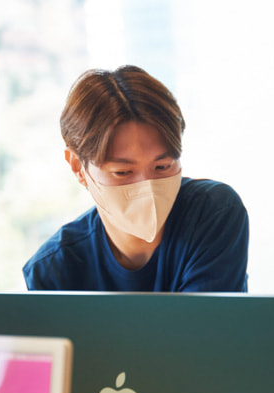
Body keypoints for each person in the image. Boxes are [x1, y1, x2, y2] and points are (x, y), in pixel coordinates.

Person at [23, 65, 249, 292]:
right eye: (123, 172)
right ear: (77, 167)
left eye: (162, 167)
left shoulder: (213, 213)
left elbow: (205, 316)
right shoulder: (53, 270)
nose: (148, 187)